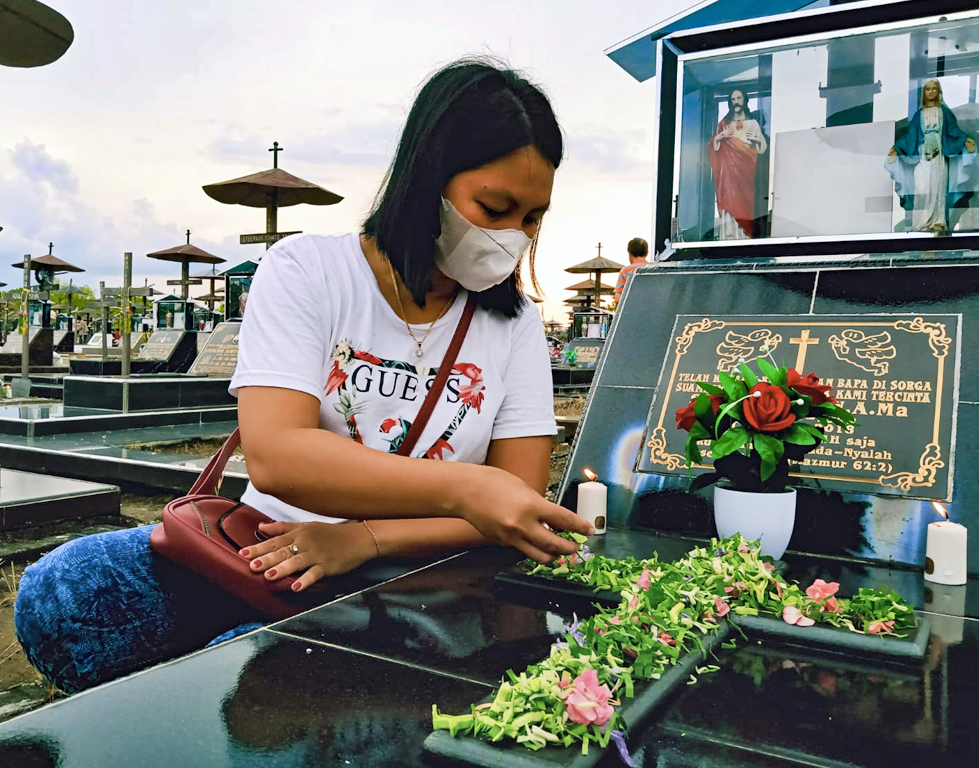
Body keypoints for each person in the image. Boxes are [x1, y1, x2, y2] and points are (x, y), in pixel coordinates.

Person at [14, 58, 592, 694]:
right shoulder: (307, 270)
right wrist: (466, 489)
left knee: (261, 679)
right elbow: (279, 455)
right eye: (495, 207)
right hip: (262, 553)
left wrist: (363, 540)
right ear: (428, 176)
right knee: (63, 594)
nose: (514, 236)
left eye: (532, 218)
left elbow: (516, 506)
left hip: (424, 579)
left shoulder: (514, 328)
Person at [885, 79, 978, 234]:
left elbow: (953, 131)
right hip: (922, 155)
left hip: (939, 156)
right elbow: (910, 136)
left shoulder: (945, 112)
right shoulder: (918, 115)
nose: (931, 92)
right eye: (928, 89)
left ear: (939, 91)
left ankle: (938, 220)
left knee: (938, 186)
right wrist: (897, 148)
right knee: (922, 186)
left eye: (934, 89)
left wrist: (965, 139)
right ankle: (920, 222)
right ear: (924, 92)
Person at [707, 89, 767, 240]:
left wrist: (757, 140)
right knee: (729, 205)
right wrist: (720, 137)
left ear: (745, 100)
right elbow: (712, 148)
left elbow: (763, 148)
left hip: (746, 174)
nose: (736, 102)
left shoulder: (753, 124)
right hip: (728, 176)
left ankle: (744, 237)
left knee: (745, 206)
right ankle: (730, 237)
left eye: (739, 98)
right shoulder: (724, 125)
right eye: (733, 99)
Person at [612, 237, 648, 307]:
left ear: (629, 253)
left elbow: (617, 298)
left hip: (631, 311)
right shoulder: (654, 269)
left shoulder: (625, 271)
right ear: (647, 252)